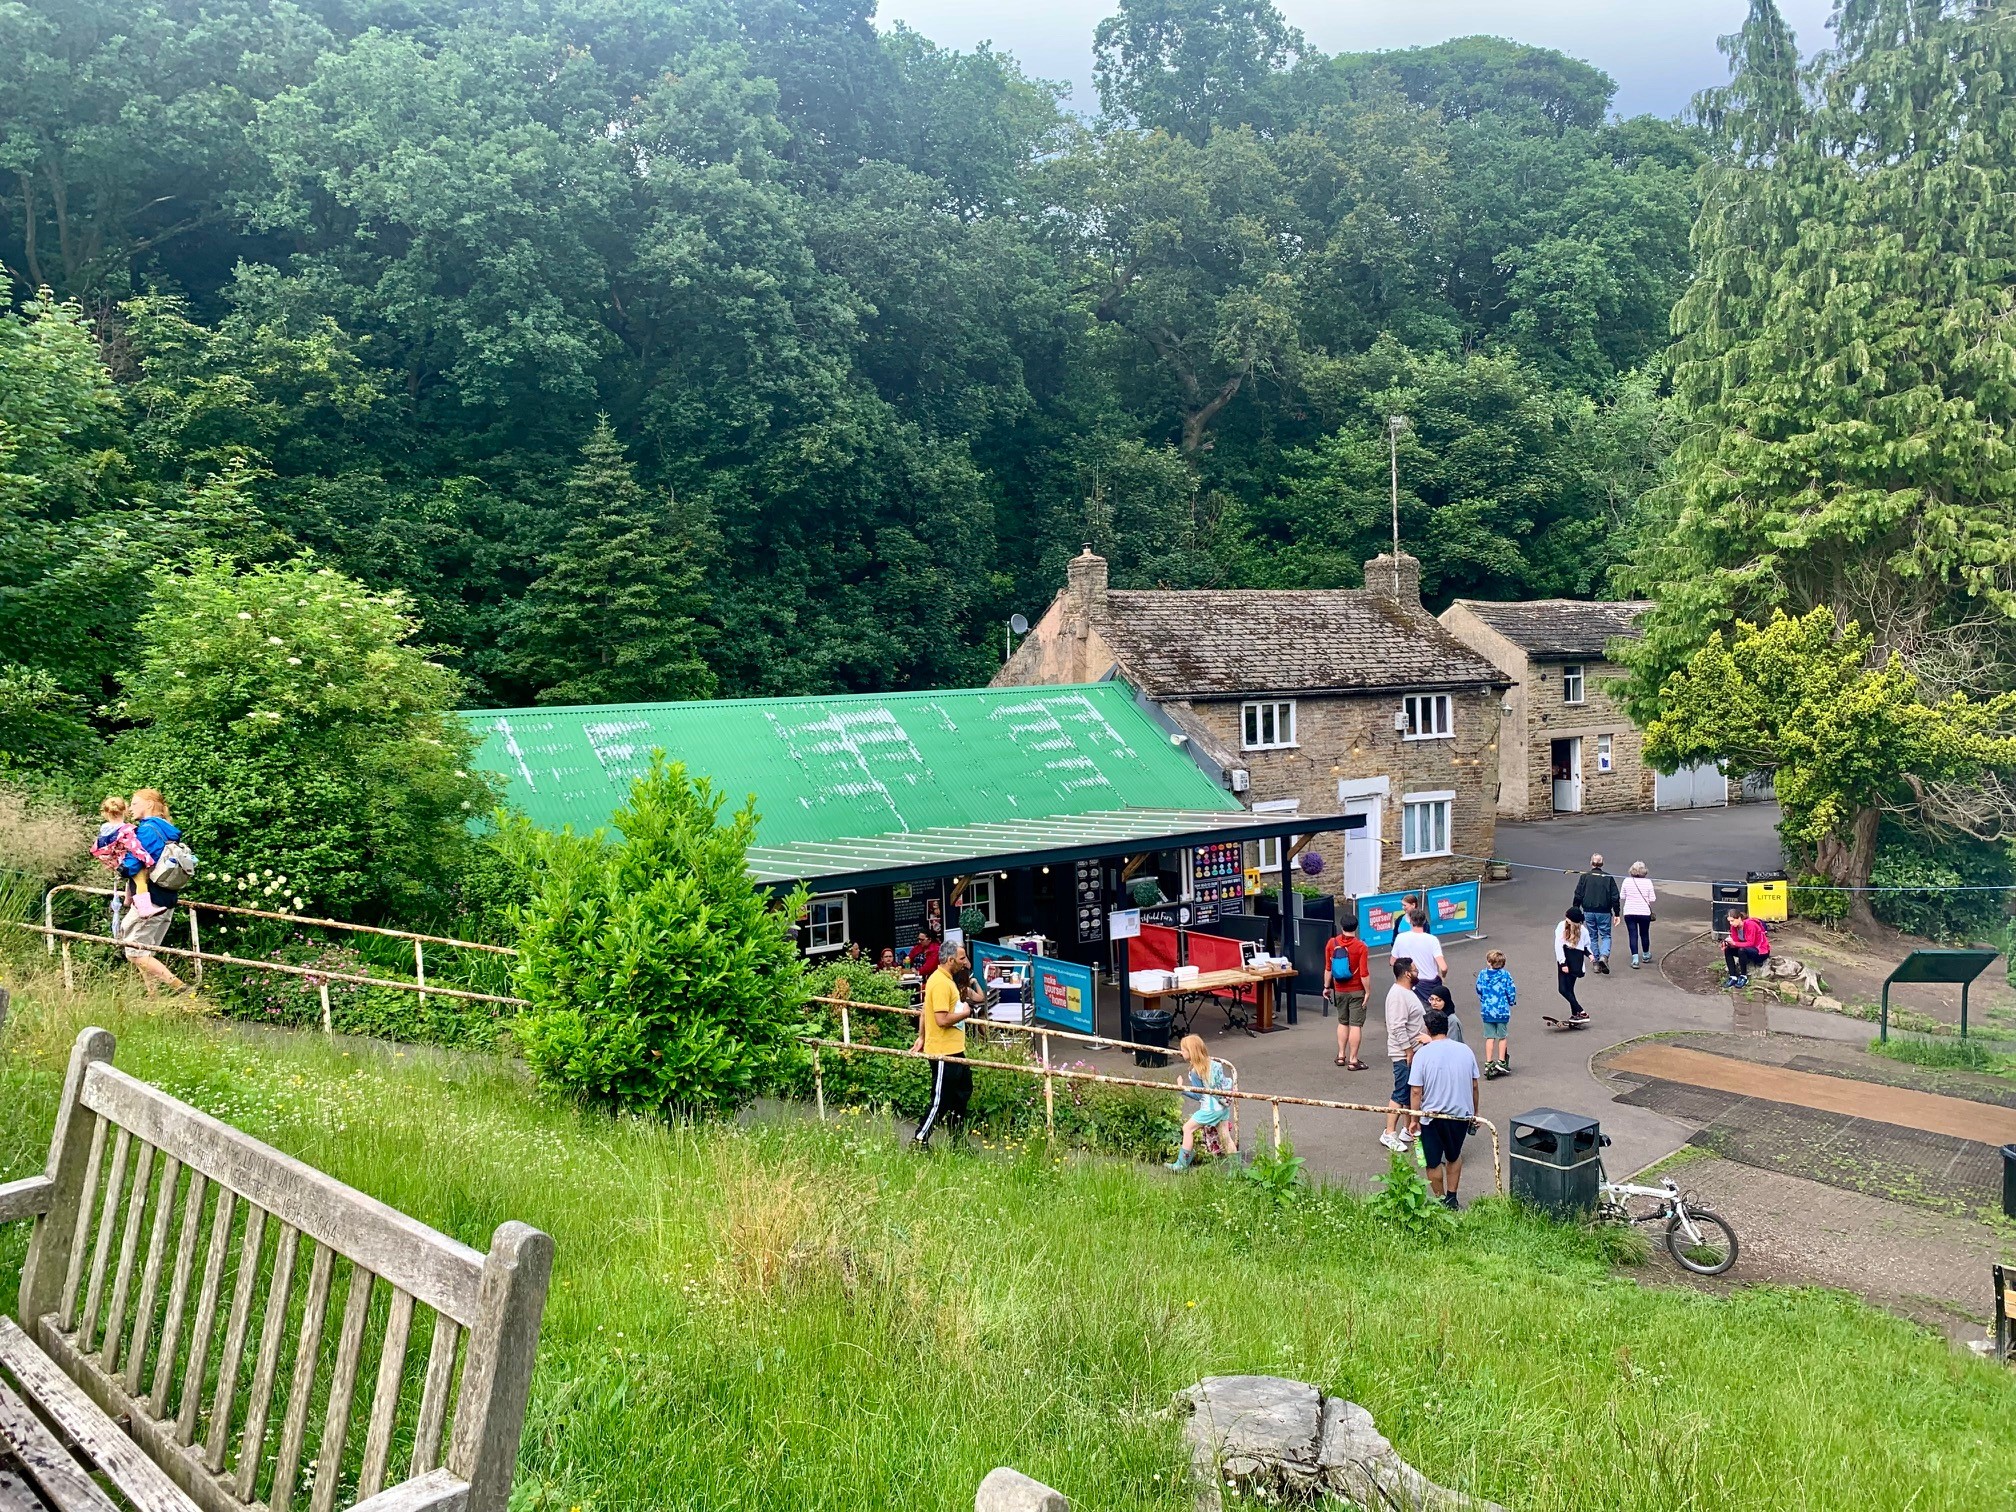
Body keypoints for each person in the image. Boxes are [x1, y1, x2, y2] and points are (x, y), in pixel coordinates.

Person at [117, 789, 189, 997]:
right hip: (167, 898)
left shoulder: (147, 830)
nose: (130, 808)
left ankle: (180, 988)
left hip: (150, 900)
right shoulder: (167, 830)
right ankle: (153, 996)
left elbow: (134, 862)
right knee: (144, 951)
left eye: (134, 803)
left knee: (134, 953)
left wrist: (120, 865)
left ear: (149, 804)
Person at [1408, 1009, 1481, 1210]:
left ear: (1428, 1029)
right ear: (1447, 1027)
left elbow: (1416, 1091)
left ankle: (1440, 1200)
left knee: (1432, 1162)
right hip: (1460, 1115)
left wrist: (1414, 1120)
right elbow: (1474, 1085)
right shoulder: (1465, 1051)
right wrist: (1475, 1112)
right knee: (1454, 1156)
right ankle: (1452, 1197)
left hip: (1431, 1117)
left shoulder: (1422, 1054)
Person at [911, 949, 976, 1145]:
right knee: (940, 1101)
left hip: (955, 1049)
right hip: (942, 1051)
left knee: (963, 1091)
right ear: (950, 960)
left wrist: (921, 1036)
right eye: (961, 958)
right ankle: (919, 1140)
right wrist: (965, 1013)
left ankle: (958, 1141)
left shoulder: (945, 979)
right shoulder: (940, 982)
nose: (965, 962)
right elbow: (941, 1020)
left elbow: (925, 1010)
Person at [90, 795, 160, 933]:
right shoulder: (126, 830)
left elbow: (96, 848)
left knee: (131, 877)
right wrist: (147, 860)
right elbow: (135, 847)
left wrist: (109, 860)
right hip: (125, 860)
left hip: (115, 862)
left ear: (104, 813)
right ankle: (145, 909)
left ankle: (129, 899)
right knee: (141, 880)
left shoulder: (104, 829)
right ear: (125, 810)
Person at [1168, 1033, 1238, 1170]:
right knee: (1225, 1136)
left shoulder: (1196, 1071)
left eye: (1183, 1050)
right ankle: (1236, 1169)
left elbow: (1198, 1095)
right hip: (1222, 1106)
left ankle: (1181, 1164)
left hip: (1209, 1109)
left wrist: (1181, 1088)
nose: (1181, 1052)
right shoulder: (1213, 1064)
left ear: (1191, 1052)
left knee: (1187, 1128)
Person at [1380, 959, 1429, 1152]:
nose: (1418, 972)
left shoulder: (1406, 993)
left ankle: (1407, 1130)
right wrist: (1408, 1050)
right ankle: (1389, 1133)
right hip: (1403, 1054)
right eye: (1415, 970)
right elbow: (1397, 1026)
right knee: (1400, 1092)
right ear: (1408, 973)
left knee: (1409, 1092)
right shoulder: (1398, 995)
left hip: (1412, 1052)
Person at [1325, 916, 1372, 1070]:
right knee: (1355, 1025)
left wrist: (1327, 987)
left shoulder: (1332, 943)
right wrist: (1367, 991)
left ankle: (1340, 1056)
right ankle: (1353, 1060)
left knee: (1342, 1022)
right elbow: (1364, 973)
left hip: (1339, 989)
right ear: (1356, 927)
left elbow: (1328, 968)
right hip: (1356, 990)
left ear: (1341, 926)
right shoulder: (1361, 947)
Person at [1390, 908, 1452, 1010]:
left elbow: (1392, 962)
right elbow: (1443, 967)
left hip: (1409, 982)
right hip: (1430, 985)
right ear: (1424, 922)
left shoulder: (1400, 938)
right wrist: (1443, 977)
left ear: (1410, 921)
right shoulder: (1432, 940)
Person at [1571, 855, 1622, 974]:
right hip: (1604, 911)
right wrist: (1617, 913)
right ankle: (1604, 956)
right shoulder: (1608, 878)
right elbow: (1615, 896)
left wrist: (1576, 909)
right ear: (1602, 864)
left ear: (1591, 863)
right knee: (1606, 935)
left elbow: (1578, 894)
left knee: (1592, 936)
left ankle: (1596, 963)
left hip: (1588, 911)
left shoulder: (1584, 877)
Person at [1476, 949, 1516, 1078]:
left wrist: (1483, 1000)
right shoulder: (1505, 975)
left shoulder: (1483, 974)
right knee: (1502, 1036)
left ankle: (1488, 1062)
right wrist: (1511, 1001)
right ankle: (1501, 1061)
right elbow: (1511, 989)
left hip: (1487, 1010)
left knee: (1490, 1037)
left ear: (1489, 962)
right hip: (1502, 1010)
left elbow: (1479, 989)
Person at [1553, 906, 1589, 1022]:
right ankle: (1575, 1014)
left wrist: (1590, 955)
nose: (1566, 920)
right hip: (1565, 960)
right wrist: (1563, 963)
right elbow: (1558, 946)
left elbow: (1586, 945)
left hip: (1574, 962)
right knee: (1568, 990)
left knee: (1564, 989)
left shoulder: (1583, 930)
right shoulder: (1561, 926)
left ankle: (1581, 1011)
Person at [1621, 861, 1657, 969]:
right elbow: (1652, 898)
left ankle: (1635, 959)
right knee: (1644, 934)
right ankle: (1645, 954)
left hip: (1629, 911)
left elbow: (1622, 896)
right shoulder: (1648, 882)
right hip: (1644, 912)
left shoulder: (1626, 881)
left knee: (1633, 934)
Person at [1723, 910, 1771, 987]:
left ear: (1739, 918)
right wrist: (1728, 943)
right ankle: (1733, 976)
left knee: (1742, 950)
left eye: (1732, 920)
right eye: (1729, 921)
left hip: (1760, 951)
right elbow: (1735, 941)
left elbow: (1750, 943)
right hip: (1747, 950)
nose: (1731, 923)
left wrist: (1734, 943)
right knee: (1728, 950)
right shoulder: (1734, 927)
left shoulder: (1750, 925)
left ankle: (1743, 976)